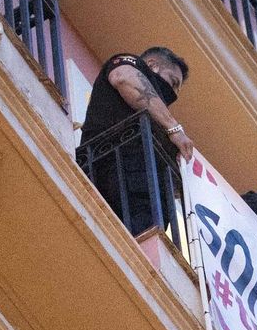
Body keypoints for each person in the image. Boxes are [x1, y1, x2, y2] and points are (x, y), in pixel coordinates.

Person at [76, 46, 193, 234]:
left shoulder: (159, 119)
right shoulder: (128, 62)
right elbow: (122, 76)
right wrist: (174, 128)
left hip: (145, 200)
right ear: (152, 65)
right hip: (113, 175)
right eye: (173, 82)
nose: (174, 93)